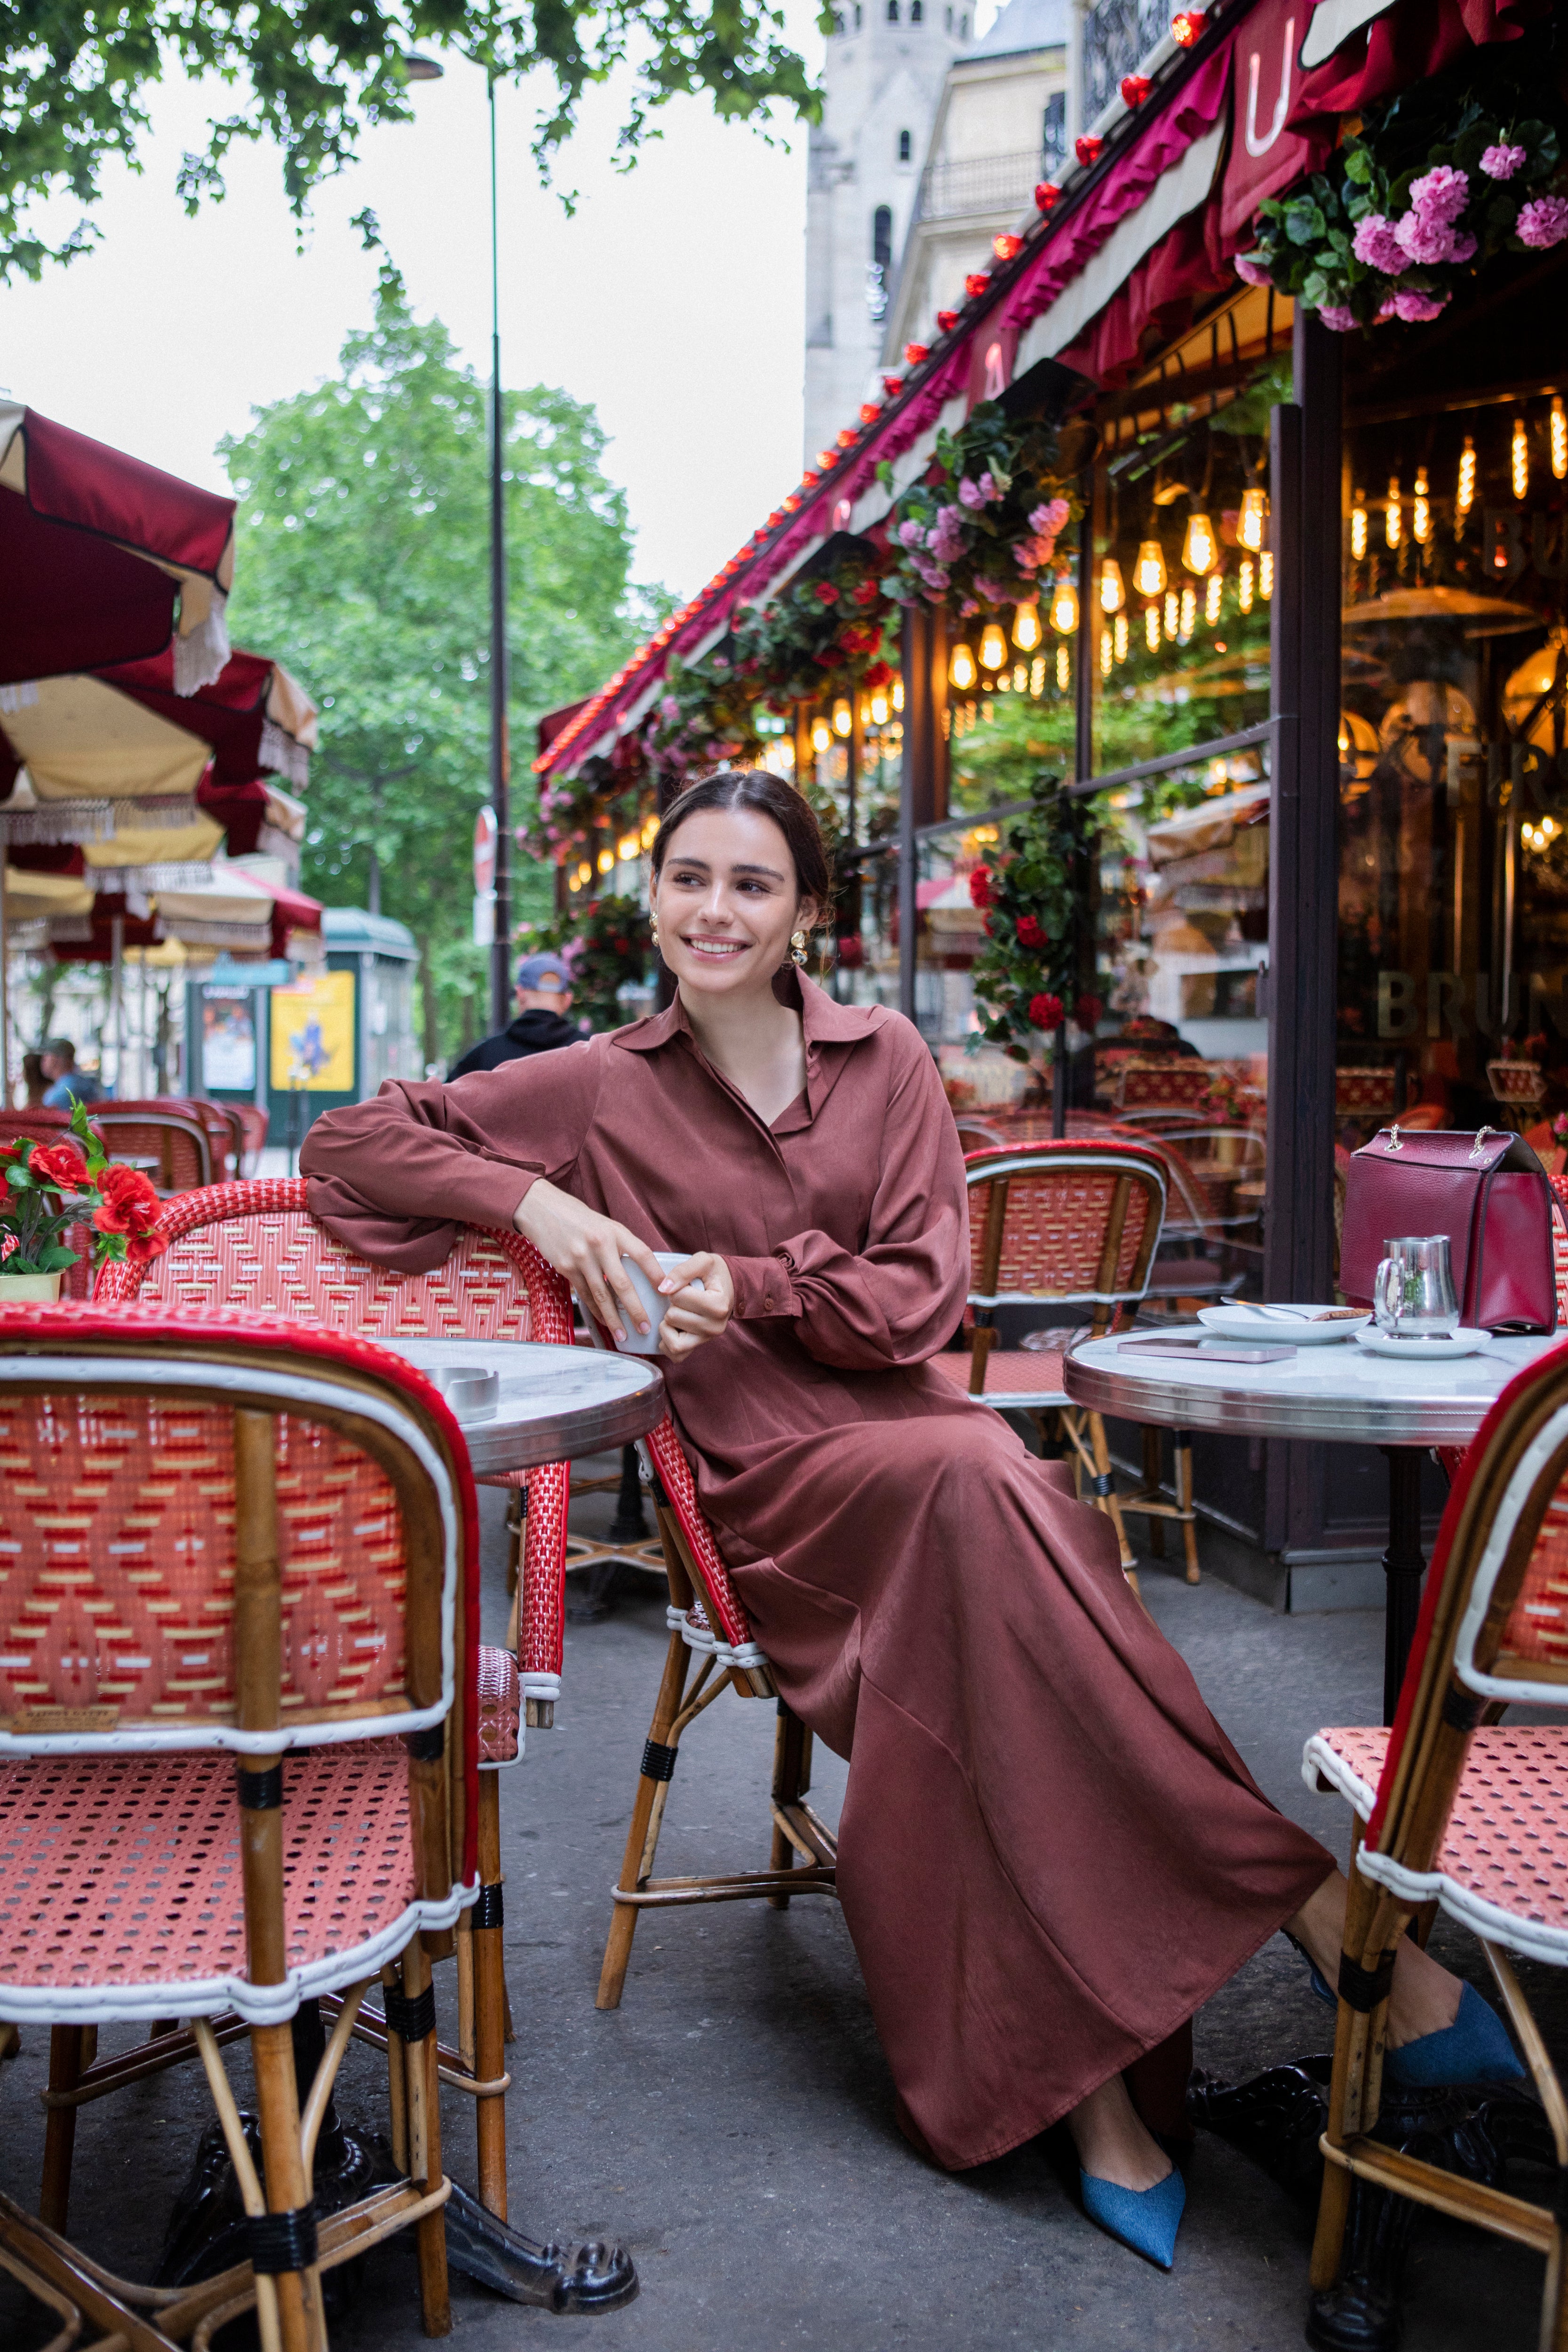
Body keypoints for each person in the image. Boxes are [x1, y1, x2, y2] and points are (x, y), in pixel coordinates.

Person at [302, 770, 1512, 2272]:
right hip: (772, 1493)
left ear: (807, 910)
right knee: (1004, 1497)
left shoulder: (886, 1061)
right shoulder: (594, 1081)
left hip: (922, 1446)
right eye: (689, 878)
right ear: (654, 899)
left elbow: (917, 1302)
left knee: (991, 1540)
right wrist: (537, 1205)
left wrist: (741, 1281)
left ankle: (1094, 2110)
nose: (713, 910)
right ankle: (1333, 1923)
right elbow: (346, 1150)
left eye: (751, 884)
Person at [448, 950, 579, 1080]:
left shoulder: (483, 1056)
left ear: (520, 993)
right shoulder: (592, 1054)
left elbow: (443, 1097)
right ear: (568, 999)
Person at [39, 1038, 104, 1110]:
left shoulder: (60, 1094)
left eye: (45, 1058)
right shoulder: (86, 1085)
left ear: (54, 1059)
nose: (42, 1063)